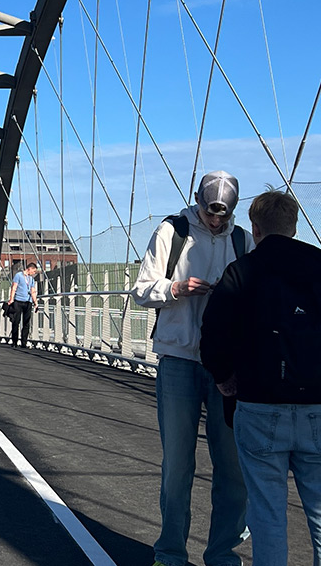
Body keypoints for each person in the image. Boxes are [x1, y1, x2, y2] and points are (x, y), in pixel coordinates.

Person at [199, 190, 321, 566]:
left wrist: (226, 382)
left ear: (254, 228)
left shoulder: (242, 271)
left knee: (268, 516)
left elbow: (212, 338)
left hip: (259, 406)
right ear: (295, 226)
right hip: (320, 408)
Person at [131, 169, 253, 566]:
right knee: (178, 465)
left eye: (223, 215)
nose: (215, 220)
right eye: (209, 212)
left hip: (227, 366)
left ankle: (223, 556)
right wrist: (176, 289)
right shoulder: (173, 231)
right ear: (197, 200)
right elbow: (140, 289)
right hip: (179, 359)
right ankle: (169, 554)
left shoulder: (242, 240)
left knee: (232, 467)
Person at [6, 263, 38, 348]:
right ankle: (14, 342)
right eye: (34, 271)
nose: (34, 273)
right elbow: (14, 287)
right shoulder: (18, 275)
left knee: (26, 323)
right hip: (18, 301)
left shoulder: (31, 279)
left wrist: (35, 303)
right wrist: (11, 299)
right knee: (16, 321)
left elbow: (33, 291)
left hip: (28, 302)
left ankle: (24, 342)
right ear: (30, 269)